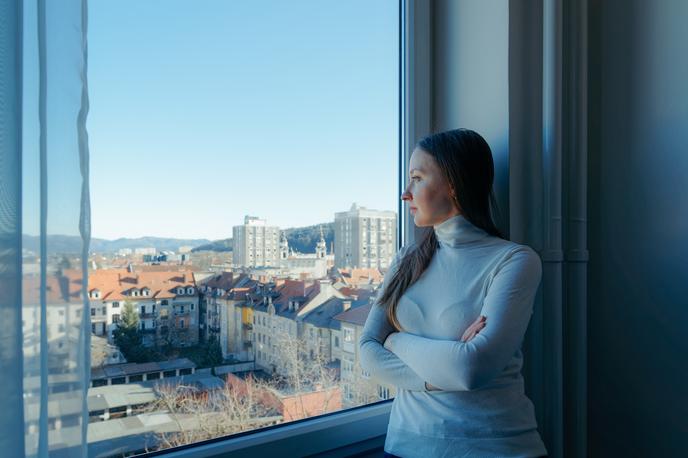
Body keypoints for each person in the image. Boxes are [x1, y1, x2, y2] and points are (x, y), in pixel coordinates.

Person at [359, 129, 548, 458]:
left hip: (495, 448)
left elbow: (469, 370)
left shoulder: (514, 261)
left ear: (454, 183)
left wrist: (394, 341)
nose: (406, 194)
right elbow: (367, 354)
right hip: (405, 445)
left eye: (417, 178)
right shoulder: (406, 260)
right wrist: (440, 371)